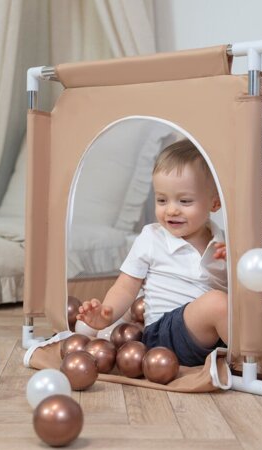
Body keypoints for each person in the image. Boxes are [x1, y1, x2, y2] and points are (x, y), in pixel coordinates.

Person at [77, 139, 228, 367]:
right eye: (161, 200)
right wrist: (107, 314)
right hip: (163, 336)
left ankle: (248, 353)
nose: (172, 209)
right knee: (218, 303)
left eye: (185, 201)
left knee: (233, 304)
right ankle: (248, 363)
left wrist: (232, 264)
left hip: (209, 336)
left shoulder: (222, 242)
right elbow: (126, 287)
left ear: (214, 203)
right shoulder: (152, 237)